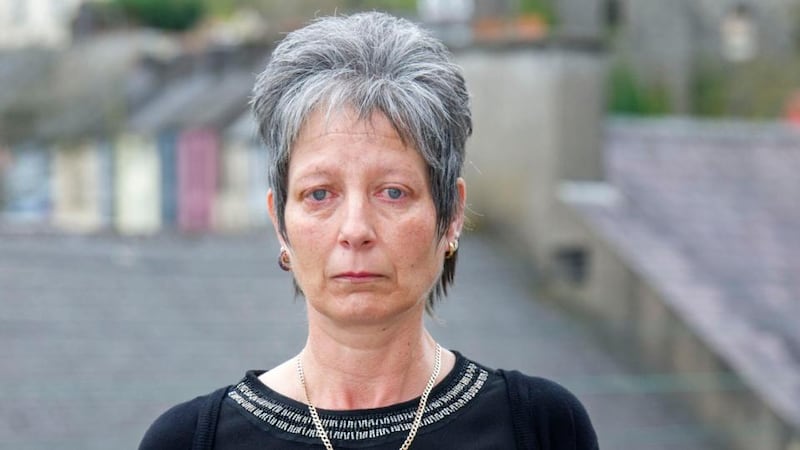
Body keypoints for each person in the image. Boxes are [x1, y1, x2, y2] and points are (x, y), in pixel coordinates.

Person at [139, 11, 597, 450]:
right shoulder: (191, 441)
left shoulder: (541, 428)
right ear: (280, 222)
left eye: (393, 192)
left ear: (452, 214)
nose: (355, 230)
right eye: (320, 194)